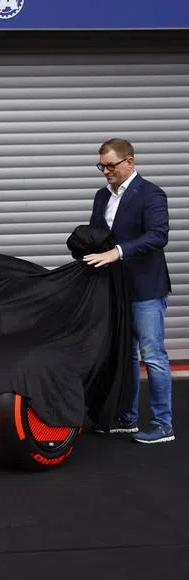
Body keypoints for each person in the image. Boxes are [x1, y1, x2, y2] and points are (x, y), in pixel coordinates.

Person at [84, 138, 173, 444]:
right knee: (127, 357)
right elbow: (98, 234)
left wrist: (118, 252)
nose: (106, 171)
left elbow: (158, 236)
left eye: (111, 165)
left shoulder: (151, 194)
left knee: (153, 356)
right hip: (114, 288)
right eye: (101, 166)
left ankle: (163, 425)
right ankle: (128, 418)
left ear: (129, 161)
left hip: (146, 288)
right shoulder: (101, 196)